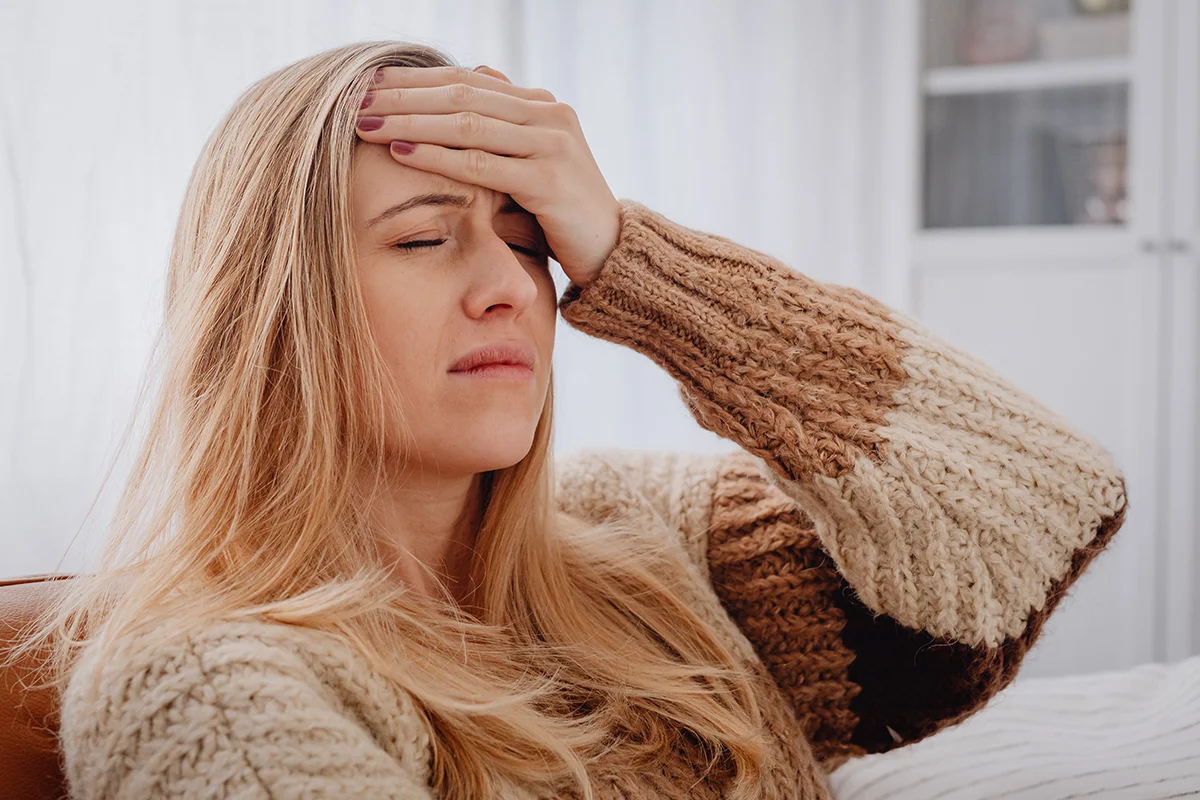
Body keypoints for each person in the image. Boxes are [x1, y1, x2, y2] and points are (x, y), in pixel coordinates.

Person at [10, 40, 1128, 800]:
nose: (510, 284)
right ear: (273, 314)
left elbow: (1039, 499)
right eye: (419, 237)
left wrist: (634, 257)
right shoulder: (204, 680)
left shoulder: (647, 538)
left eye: (529, 235)